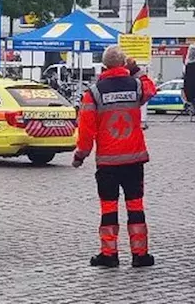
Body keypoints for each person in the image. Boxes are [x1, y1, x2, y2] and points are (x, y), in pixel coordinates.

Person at [72, 45, 157, 268]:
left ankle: (109, 254)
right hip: (134, 160)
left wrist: (81, 155)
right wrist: (136, 69)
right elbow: (151, 88)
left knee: (109, 208)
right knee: (136, 206)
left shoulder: (94, 92)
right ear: (123, 65)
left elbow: (86, 129)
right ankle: (141, 254)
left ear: (104, 66)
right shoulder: (136, 85)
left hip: (108, 162)